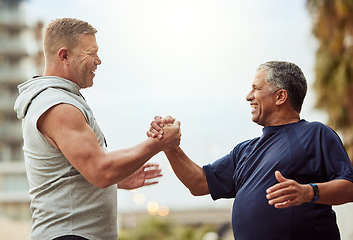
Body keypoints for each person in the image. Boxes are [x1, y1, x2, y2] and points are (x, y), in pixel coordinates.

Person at [14, 18, 181, 240]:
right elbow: (100, 172)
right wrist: (159, 143)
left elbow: (79, 171)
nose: (98, 61)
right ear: (64, 56)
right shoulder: (59, 107)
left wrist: (118, 180)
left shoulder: (59, 100)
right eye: (91, 53)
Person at [148, 61, 353, 240]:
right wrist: (170, 147)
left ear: (280, 96)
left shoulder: (316, 133)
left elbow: (349, 187)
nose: (248, 96)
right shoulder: (245, 150)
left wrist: (309, 192)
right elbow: (199, 183)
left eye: (256, 88)